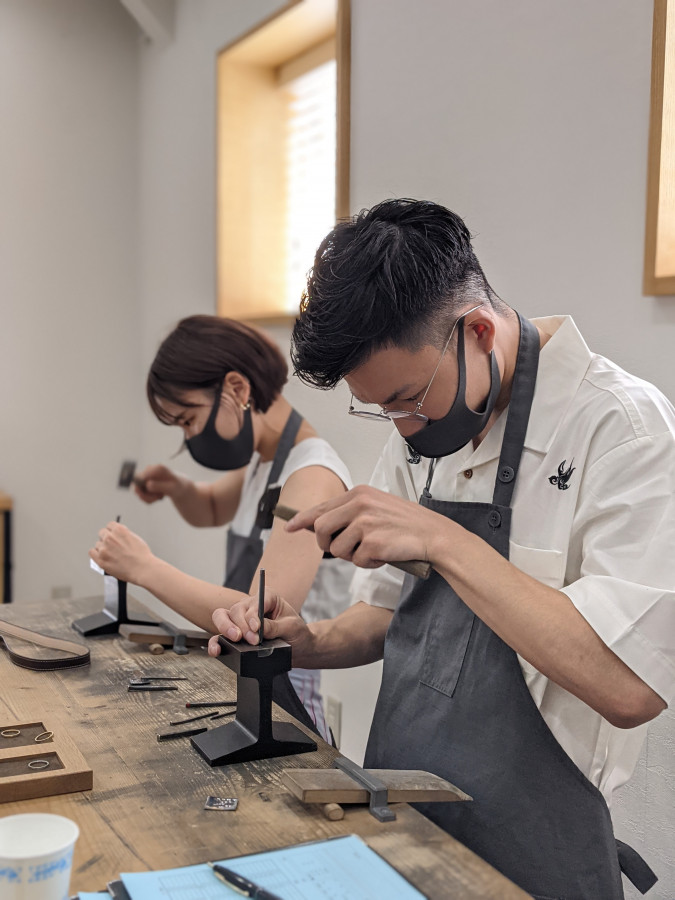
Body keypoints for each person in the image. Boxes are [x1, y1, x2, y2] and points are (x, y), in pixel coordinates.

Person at [209, 200, 675, 899]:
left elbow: (629, 688)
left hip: (537, 855)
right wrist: (303, 641)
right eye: (382, 410)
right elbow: (386, 618)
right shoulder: (426, 434)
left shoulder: (622, 431)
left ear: (478, 331)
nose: (402, 430)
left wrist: (442, 540)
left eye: (407, 400)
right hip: (403, 824)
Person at [90, 314, 353, 740]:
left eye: (188, 420)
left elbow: (257, 622)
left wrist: (143, 568)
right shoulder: (264, 460)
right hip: (243, 688)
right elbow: (211, 507)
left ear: (237, 388)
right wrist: (177, 488)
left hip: (285, 706)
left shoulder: (310, 478)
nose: (191, 437)